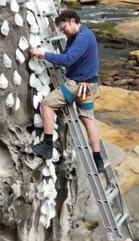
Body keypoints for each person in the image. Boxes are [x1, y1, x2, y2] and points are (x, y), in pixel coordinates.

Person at [28, 9, 104, 171]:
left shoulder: (83, 38)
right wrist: (45, 56)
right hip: (89, 85)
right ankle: (98, 160)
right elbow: (68, 56)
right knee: (88, 120)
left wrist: (44, 53)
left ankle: (47, 146)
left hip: (77, 85)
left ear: (72, 21)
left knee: (46, 105)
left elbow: (68, 59)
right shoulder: (78, 35)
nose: (63, 31)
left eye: (64, 27)